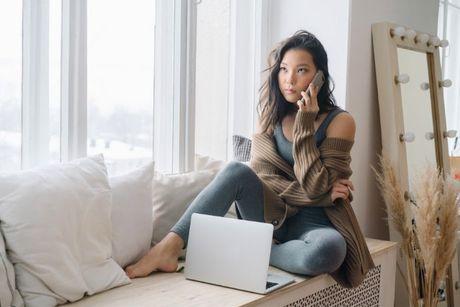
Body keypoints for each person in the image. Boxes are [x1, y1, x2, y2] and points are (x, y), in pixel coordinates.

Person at [126, 30, 374, 288]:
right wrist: (320, 194)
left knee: (331, 250)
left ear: (319, 77)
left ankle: (254, 249)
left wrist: (305, 124)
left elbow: (315, 185)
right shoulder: (269, 118)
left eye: (301, 70)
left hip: (315, 226)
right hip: (269, 215)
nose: (289, 80)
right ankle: (167, 248)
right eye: (284, 69)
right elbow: (266, 178)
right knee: (236, 171)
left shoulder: (341, 122)